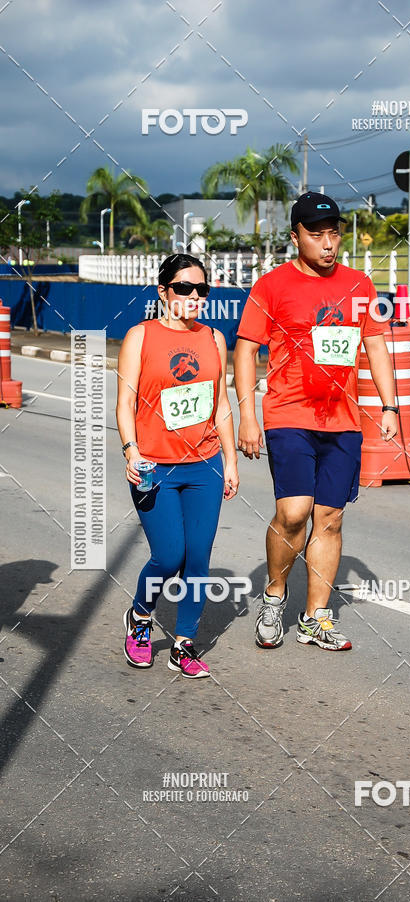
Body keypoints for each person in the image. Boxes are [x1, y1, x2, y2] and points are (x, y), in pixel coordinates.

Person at [233, 192, 398, 651]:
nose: (328, 244)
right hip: (288, 412)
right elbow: (246, 349)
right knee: (293, 513)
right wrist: (247, 415)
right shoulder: (271, 286)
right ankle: (275, 593)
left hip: (342, 418)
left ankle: (315, 617)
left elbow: (377, 346)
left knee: (329, 516)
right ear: (295, 237)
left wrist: (389, 407)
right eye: (316, 234)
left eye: (334, 233)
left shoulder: (359, 285)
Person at [116, 253, 239, 678]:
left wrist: (231, 461)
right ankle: (140, 618)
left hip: (204, 464)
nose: (193, 296)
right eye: (183, 288)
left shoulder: (215, 339)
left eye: (201, 289)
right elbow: (125, 404)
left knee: (198, 561)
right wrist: (132, 450)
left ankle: (184, 645)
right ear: (163, 291)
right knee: (169, 557)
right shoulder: (140, 337)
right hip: (154, 467)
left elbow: (221, 405)